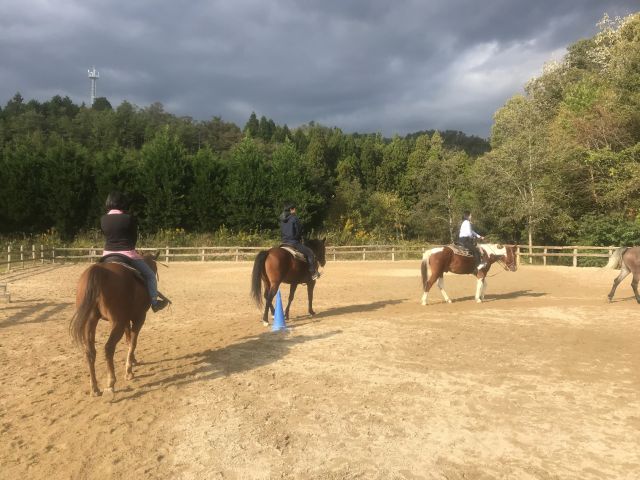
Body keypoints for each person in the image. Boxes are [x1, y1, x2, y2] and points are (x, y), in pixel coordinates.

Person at [100, 191, 170, 312]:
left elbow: (107, 236)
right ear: (122, 203)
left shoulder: (103, 219)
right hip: (127, 254)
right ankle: (154, 303)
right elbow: (133, 238)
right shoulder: (128, 218)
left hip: (107, 254)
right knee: (150, 276)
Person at [279, 203, 321, 280]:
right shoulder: (294, 218)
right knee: (310, 253)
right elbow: (299, 230)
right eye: (294, 209)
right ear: (291, 210)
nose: (295, 210)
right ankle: (313, 272)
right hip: (293, 242)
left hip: (284, 243)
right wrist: (300, 237)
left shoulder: (282, 220)